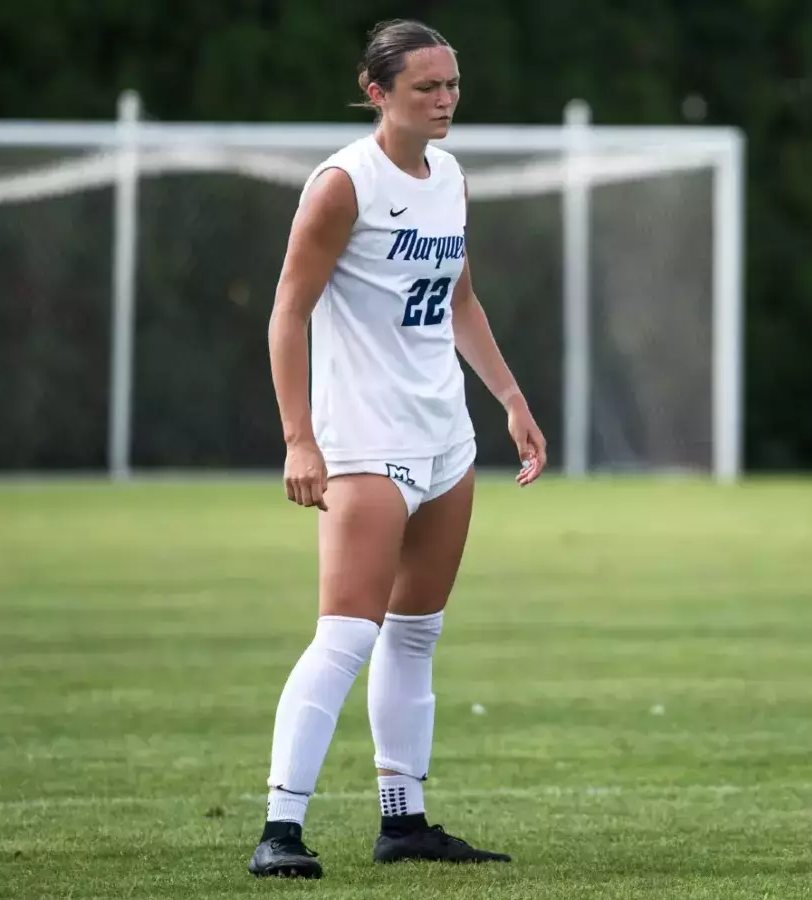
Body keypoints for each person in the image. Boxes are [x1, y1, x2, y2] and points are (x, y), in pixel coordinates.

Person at [249, 18, 546, 878]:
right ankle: (280, 831)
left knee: (415, 635)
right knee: (345, 635)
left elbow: (457, 300)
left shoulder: (449, 175)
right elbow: (287, 312)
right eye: (427, 87)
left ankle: (402, 818)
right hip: (364, 446)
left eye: (452, 85)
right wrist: (299, 439)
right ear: (378, 91)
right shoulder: (342, 184)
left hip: (445, 440)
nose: (445, 100)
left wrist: (512, 400)